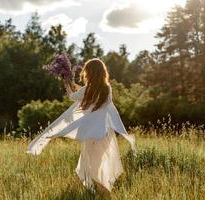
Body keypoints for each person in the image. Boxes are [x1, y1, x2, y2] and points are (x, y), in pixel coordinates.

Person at [26, 58, 136, 193]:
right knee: (97, 163)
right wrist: (72, 83)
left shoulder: (88, 90)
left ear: (89, 73)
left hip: (93, 135)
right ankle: (100, 192)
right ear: (102, 72)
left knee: (91, 166)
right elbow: (87, 94)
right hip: (105, 134)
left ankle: (101, 193)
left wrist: (66, 82)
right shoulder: (107, 89)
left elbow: (73, 96)